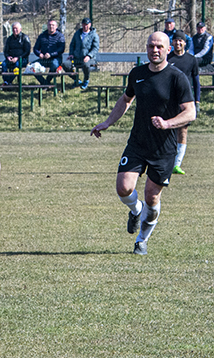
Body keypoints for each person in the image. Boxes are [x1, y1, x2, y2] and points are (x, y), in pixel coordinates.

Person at [91, 32, 195, 256]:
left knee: (152, 197)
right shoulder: (137, 74)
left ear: (168, 50)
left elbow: (190, 113)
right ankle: (136, 210)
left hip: (164, 149)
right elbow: (126, 99)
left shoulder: (177, 78)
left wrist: (167, 124)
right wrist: (108, 122)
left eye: (159, 46)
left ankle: (142, 240)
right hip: (138, 142)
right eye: (150, 46)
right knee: (123, 187)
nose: (154, 50)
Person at [168, 31, 200, 175]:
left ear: (185, 43)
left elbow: (196, 81)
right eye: (175, 40)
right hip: (168, 99)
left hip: (185, 100)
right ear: (172, 43)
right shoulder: (167, 58)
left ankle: (177, 163)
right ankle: (166, 160)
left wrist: (197, 100)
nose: (178, 43)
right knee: (168, 129)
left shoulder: (191, 59)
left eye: (180, 41)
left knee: (183, 130)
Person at [62, 18, 99, 90]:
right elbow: (72, 45)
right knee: (65, 64)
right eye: (84, 24)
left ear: (90, 25)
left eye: (87, 25)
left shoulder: (94, 35)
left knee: (86, 65)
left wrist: (89, 56)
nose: (85, 26)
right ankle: (77, 80)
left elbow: (95, 48)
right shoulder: (77, 34)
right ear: (82, 25)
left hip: (89, 59)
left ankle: (86, 80)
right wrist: (71, 54)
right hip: (76, 58)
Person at [33, 19, 66, 85]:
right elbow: (35, 48)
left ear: (56, 26)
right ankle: (44, 83)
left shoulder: (60, 36)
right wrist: (39, 54)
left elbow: (61, 49)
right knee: (32, 67)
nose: (51, 27)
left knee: (54, 64)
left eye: (53, 25)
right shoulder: (42, 36)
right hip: (44, 59)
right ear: (47, 26)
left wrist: (51, 55)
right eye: (49, 25)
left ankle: (47, 82)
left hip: (56, 59)